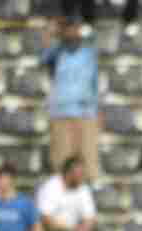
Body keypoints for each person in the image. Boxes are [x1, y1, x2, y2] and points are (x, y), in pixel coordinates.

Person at [40, 18, 101, 184]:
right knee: (61, 159)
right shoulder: (57, 53)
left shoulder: (90, 53)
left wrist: (99, 112)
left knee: (88, 157)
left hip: (86, 113)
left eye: (75, 29)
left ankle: (88, 194)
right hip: (61, 113)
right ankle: (61, 194)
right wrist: (49, 33)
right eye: (68, 29)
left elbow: (95, 84)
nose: (72, 33)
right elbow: (43, 59)